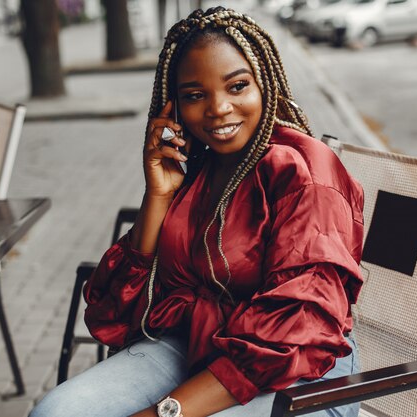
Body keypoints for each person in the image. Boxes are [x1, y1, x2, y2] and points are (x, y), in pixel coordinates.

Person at [30, 7, 364, 417]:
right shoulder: (201, 165)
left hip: (298, 371)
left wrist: (161, 413)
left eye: (237, 86)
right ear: (174, 107)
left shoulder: (302, 171)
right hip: (199, 346)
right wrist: (159, 194)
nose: (218, 109)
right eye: (194, 95)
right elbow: (117, 308)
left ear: (266, 86)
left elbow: (296, 324)